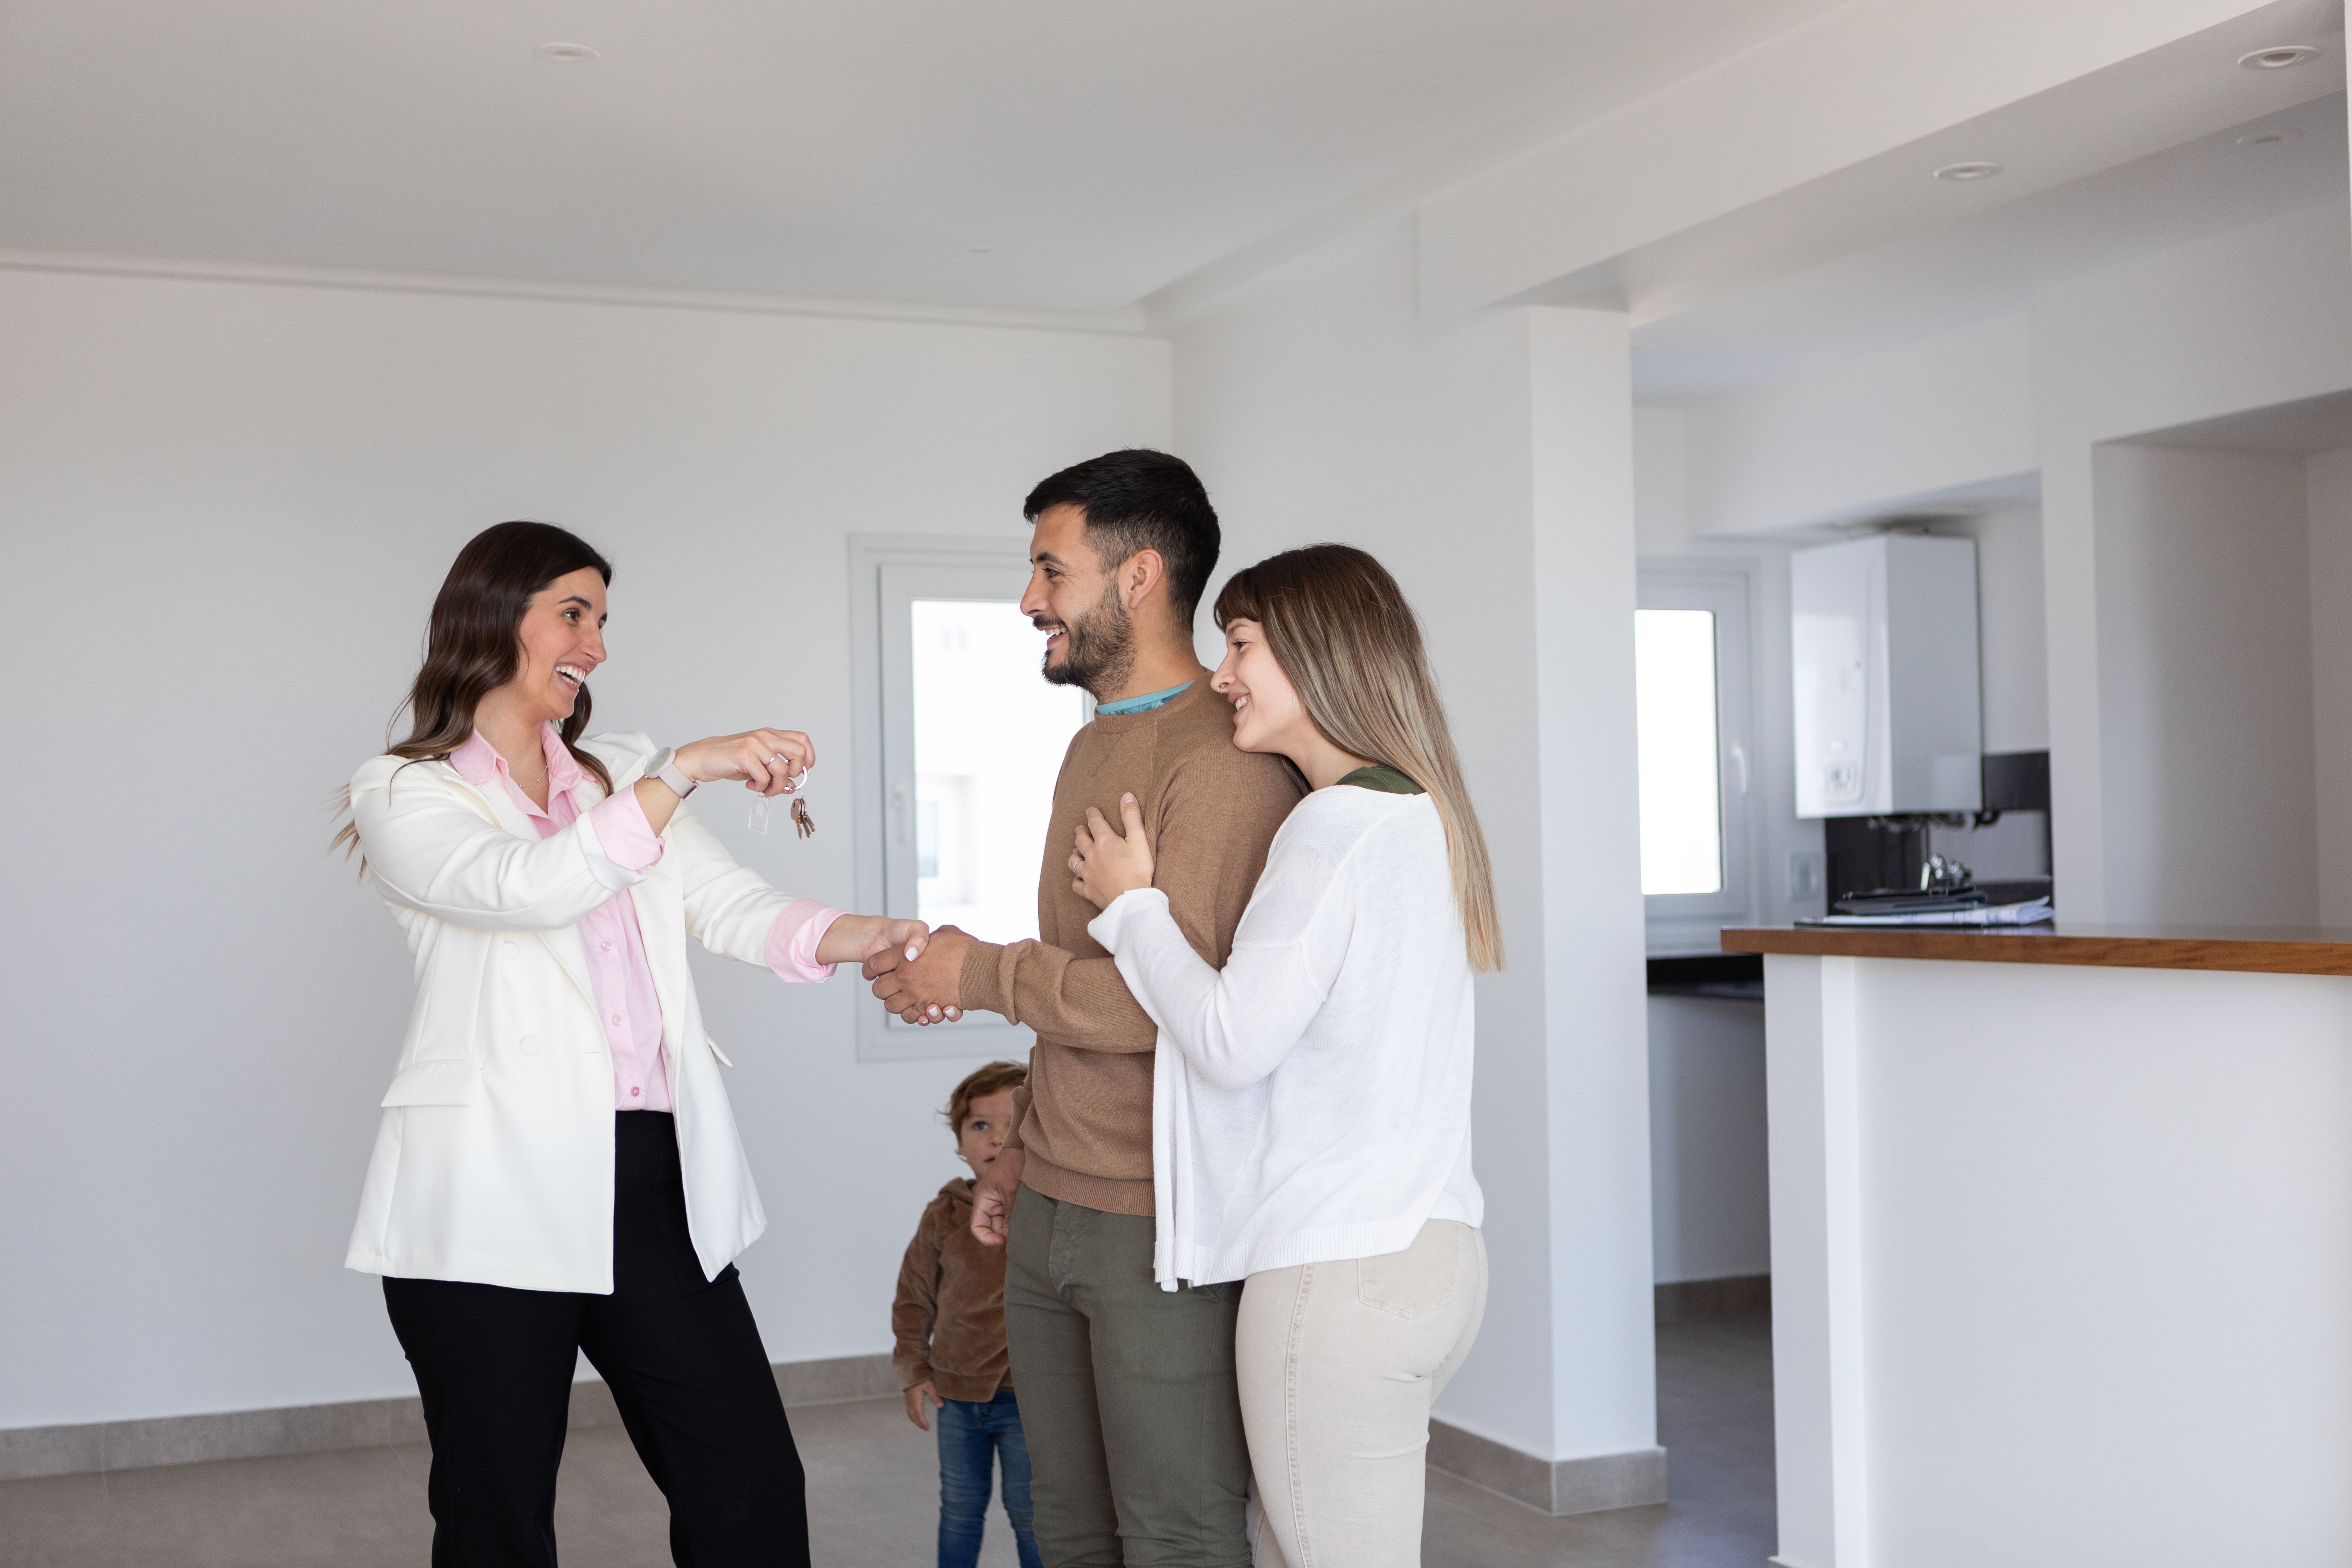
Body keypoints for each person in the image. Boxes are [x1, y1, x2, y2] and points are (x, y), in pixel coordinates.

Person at [337, 520, 928, 1568]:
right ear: (492, 614)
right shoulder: (402, 789)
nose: (597, 646)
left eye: (603, 620)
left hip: (652, 1182)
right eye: (574, 614)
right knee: (497, 1518)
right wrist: (686, 769)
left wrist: (873, 936)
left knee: (749, 1486)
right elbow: (526, 888)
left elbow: (735, 907)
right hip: (487, 1191)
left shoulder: (618, 775)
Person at [864, 449, 1302, 1566]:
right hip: (1050, 1196)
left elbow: (1178, 1006)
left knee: (1174, 1533)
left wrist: (979, 975)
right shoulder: (1093, 744)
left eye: (1051, 571)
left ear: (1137, 576)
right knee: (1061, 1525)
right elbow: (1080, 973)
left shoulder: (1225, 762)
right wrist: (1022, 1143)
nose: (1029, 600)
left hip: (1160, 1218)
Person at [1065, 543, 1496, 1568]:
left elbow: (1229, 1041)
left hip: (1336, 1281)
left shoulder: (1331, 827)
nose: (1222, 676)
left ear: (1317, 653)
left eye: (1242, 645)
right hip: (1437, 1259)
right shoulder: (1420, 815)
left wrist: (1133, 909)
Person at [894, 1061, 1045, 1568]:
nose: (997, 1138)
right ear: (960, 1141)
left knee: (1030, 1512)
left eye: (1012, 1125)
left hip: (1026, 1397)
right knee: (959, 1508)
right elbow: (914, 1298)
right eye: (981, 1125)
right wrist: (914, 1372)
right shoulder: (945, 1214)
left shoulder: (1046, 1211)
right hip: (956, 1396)